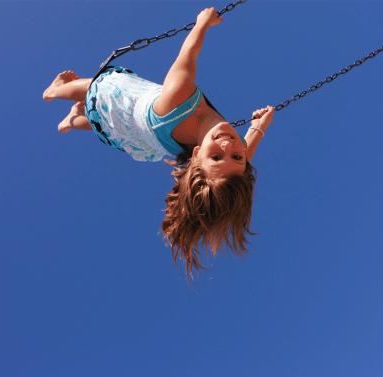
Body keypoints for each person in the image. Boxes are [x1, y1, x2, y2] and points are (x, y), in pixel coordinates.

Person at [43, 8, 275, 282]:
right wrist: (260, 126)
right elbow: (245, 153)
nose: (228, 145)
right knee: (100, 123)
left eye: (216, 156)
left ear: (197, 156)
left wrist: (203, 23)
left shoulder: (178, 96)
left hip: (130, 104)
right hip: (137, 135)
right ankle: (72, 121)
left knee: (95, 89)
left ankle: (55, 91)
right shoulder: (232, 161)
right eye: (235, 156)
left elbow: (187, 57)